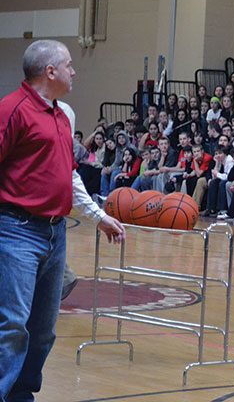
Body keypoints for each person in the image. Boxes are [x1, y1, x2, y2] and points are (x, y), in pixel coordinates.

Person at [0, 40, 126, 402]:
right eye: (69, 65)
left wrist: (98, 217)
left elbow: (68, 175)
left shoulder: (62, 114)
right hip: (16, 230)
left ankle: (21, 395)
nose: (74, 71)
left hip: (55, 233)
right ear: (50, 71)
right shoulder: (12, 109)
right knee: (12, 326)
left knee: (42, 330)